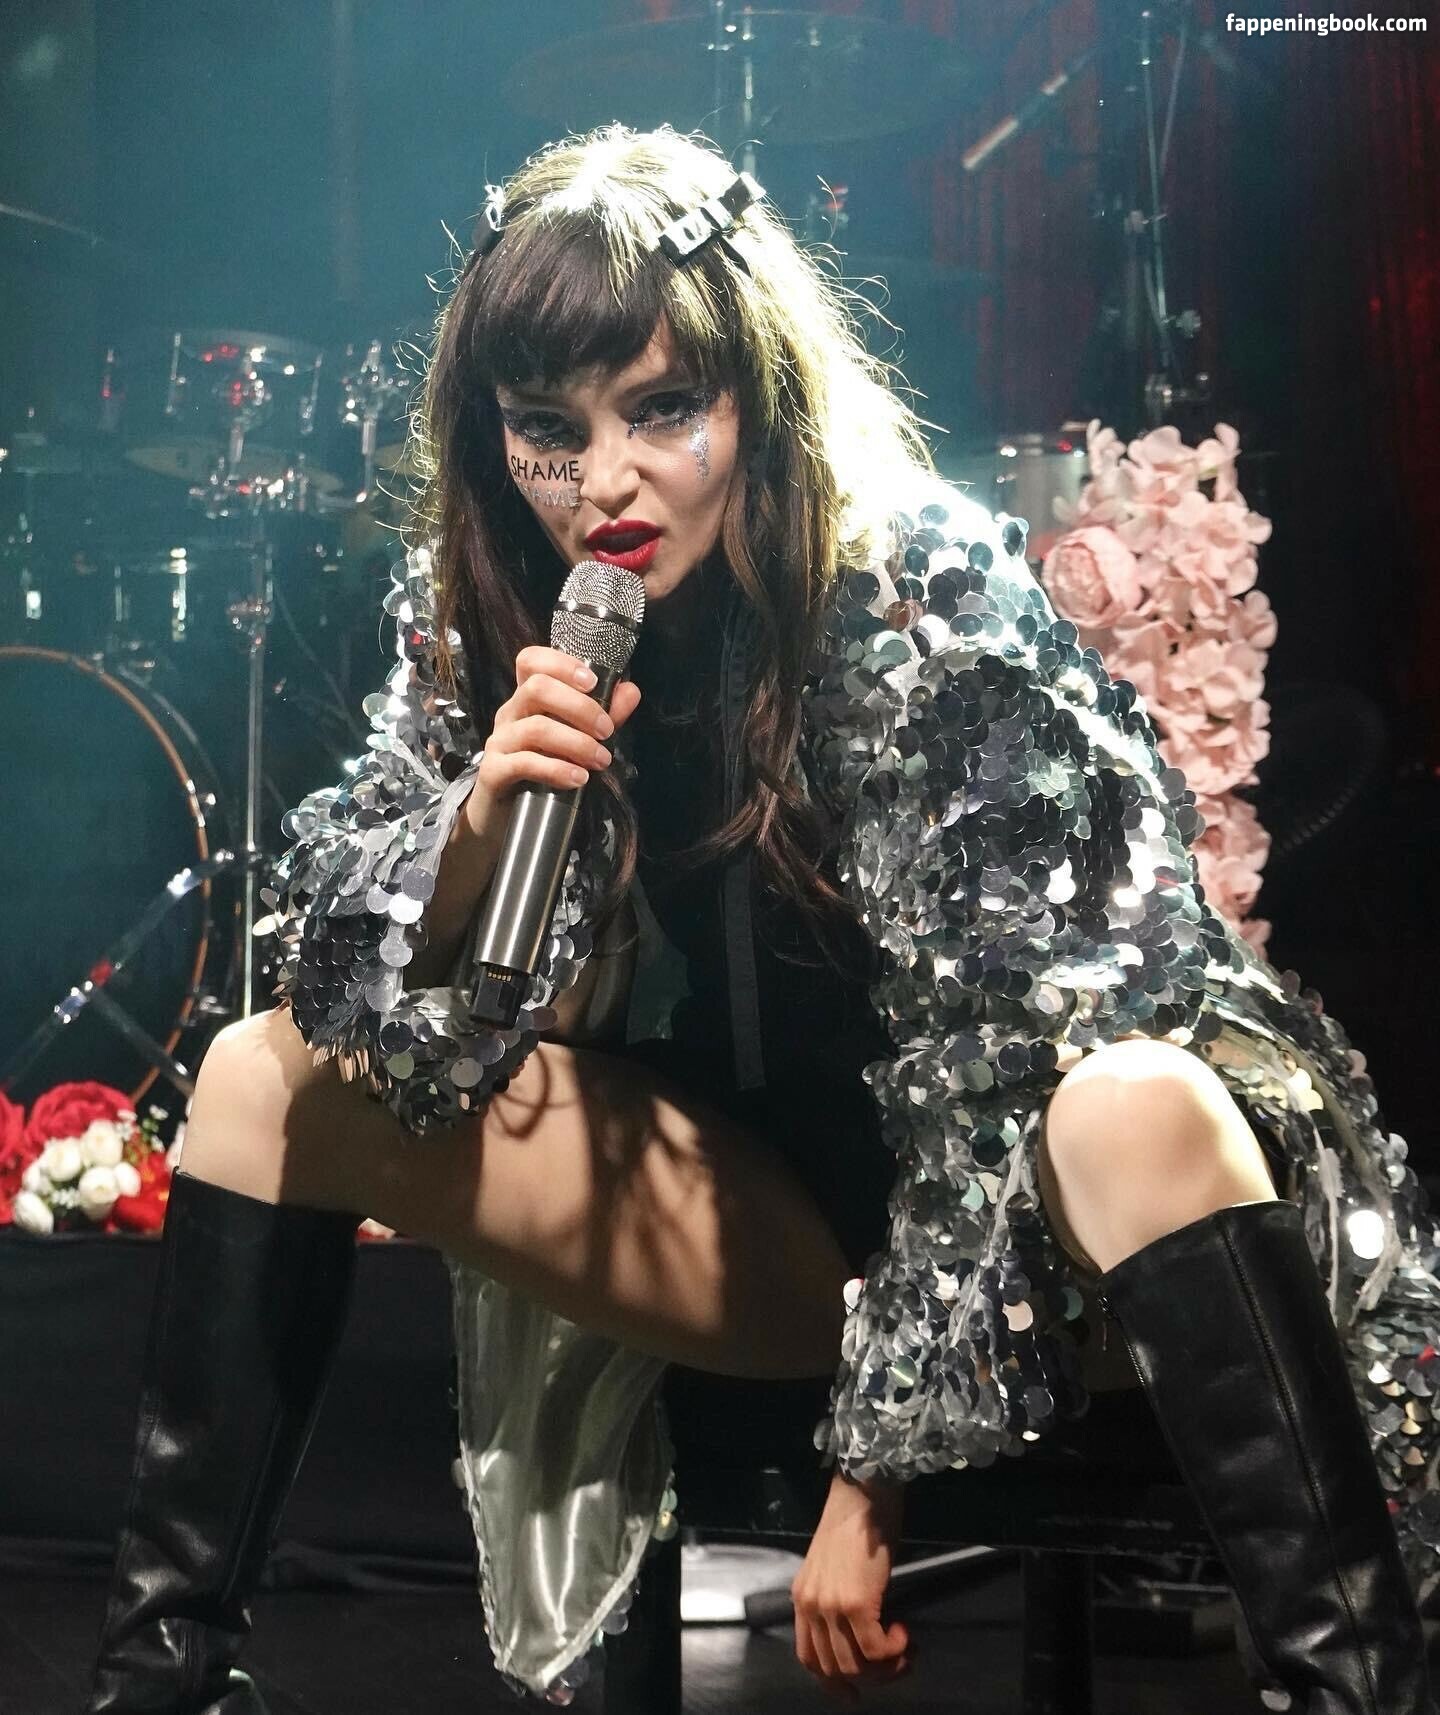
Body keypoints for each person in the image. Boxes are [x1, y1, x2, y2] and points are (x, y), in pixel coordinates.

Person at [85, 124, 1440, 1714]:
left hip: (1064, 1233)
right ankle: (161, 1687)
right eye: (549, 429)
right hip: (784, 1212)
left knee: (1126, 1099)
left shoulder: (914, 592)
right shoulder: (498, 605)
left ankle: (1355, 1689)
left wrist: (872, 1478)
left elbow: (1013, 1065)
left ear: (759, 395)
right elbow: (344, 978)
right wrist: (474, 827)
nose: (605, 481)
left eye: (662, 410)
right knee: (258, 1077)